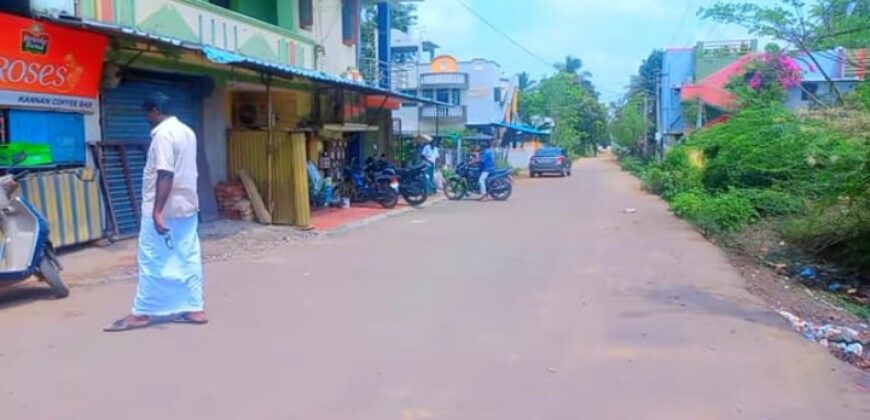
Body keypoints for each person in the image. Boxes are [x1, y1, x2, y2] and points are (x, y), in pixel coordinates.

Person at [105, 92, 206, 332]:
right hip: (187, 205)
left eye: (147, 113)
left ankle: (141, 313)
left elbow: (165, 173)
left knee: (151, 258)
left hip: (165, 208)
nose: (146, 118)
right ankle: (195, 308)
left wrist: (158, 211)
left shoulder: (163, 135)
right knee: (188, 255)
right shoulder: (187, 132)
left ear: (154, 111)